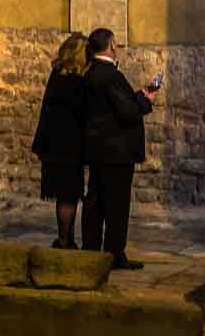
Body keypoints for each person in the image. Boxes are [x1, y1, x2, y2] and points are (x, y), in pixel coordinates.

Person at [80, 27, 158, 270]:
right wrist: (146, 101)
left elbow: (112, 106)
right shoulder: (111, 75)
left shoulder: (90, 73)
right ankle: (114, 252)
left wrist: (137, 95)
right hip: (116, 151)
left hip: (97, 148)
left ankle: (91, 249)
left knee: (95, 201)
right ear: (112, 45)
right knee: (116, 204)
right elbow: (128, 112)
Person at [30, 33, 92, 250]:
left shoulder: (57, 75)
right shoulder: (79, 82)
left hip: (52, 143)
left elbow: (46, 110)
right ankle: (66, 241)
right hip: (69, 146)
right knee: (69, 195)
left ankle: (63, 238)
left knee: (63, 195)